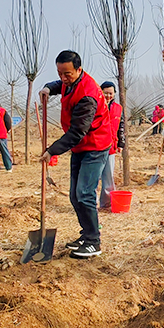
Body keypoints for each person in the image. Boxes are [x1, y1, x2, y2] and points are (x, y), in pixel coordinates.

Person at [40, 50, 113, 259]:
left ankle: (93, 241)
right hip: (81, 146)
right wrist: (48, 88)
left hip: (95, 145)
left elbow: (77, 132)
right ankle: (86, 234)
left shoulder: (87, 96)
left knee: (85, 193)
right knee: (74, 195)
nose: (63, 78)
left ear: (79, 70)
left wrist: (52, 151)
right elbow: (60, 84)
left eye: (67, 74)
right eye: (60, 73)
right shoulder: (70, 81)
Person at [98, 81, 125, 210]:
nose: (108, 96)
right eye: (106, 93)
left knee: (108, 176)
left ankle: (106, 203)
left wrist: (121, 143)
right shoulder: (95, 105)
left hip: (111, 146)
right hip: (96, 145)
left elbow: (121, 126)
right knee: (94, 176)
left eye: (111, 93)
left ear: (114, 94)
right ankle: (90, 204)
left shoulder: (118, 108)